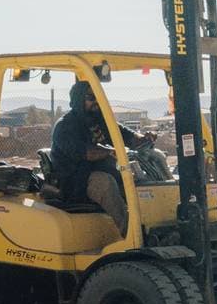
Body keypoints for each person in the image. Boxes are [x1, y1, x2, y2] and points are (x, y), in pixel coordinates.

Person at [49, 79, 152, 237]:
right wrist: (111, 151)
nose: (96, 102)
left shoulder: (101, 121)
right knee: (105, 183)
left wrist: (144, 138)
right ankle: (133, 235)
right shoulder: (65, 126)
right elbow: (87, 153)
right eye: (91, 98)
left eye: (98, 97)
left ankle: (156, 224)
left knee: (149, 167)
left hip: (104, 172)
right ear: (78, 99)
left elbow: (128, 136)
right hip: (76, 182)